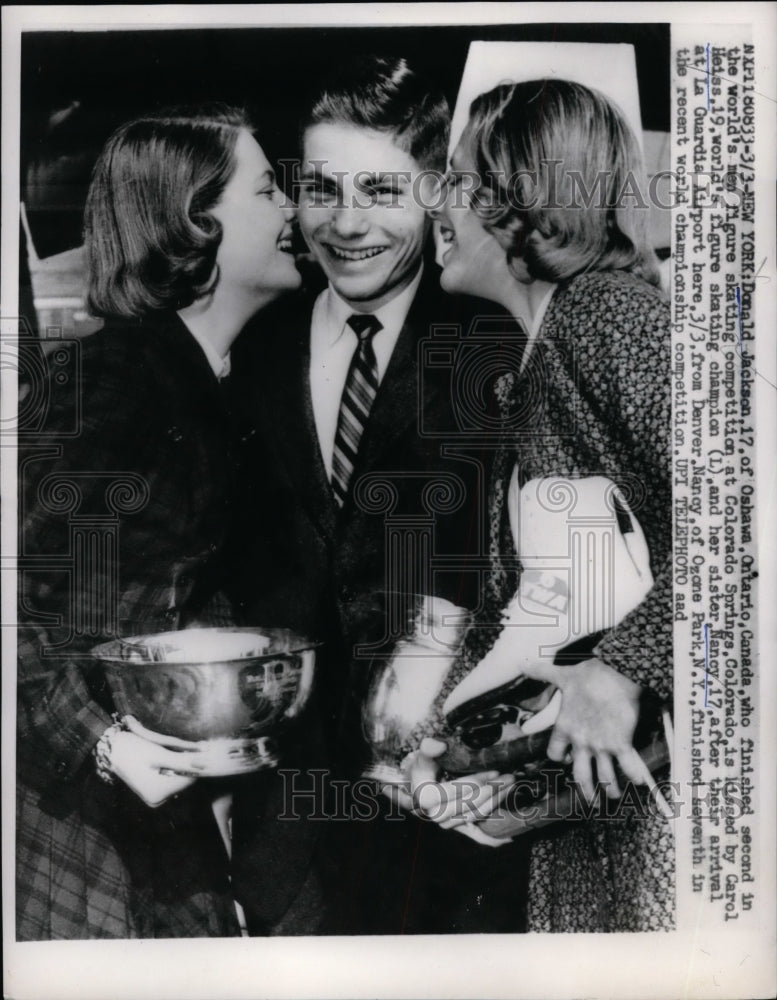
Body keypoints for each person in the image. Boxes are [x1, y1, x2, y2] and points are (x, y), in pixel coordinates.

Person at [229, 55, 529, 935]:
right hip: (286, 816)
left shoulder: (491, 339)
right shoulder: (256, 341)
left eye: (379, 190)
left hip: (455, 815)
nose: (346, 222)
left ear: (438, 194)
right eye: (321, 188)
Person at [16, 106, 301, 939]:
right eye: (269, 189)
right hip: (79, 832)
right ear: (194, 222)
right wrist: (103, 742)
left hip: (153, 812)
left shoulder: (203, 383)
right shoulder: (111, 383)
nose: (294, 210)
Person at [411, 78, 674, 932]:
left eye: (453, 178)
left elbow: (747, 514)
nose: (433, 201)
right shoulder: (543, 348)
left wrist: (627, 667)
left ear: (520, 200)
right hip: (592, 825)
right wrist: (448, 745)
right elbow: (540, 616)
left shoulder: (607, 315)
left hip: (661, 831)